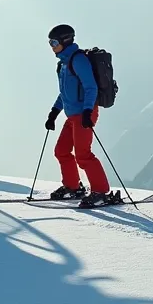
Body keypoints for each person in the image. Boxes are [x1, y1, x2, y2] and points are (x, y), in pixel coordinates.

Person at [44, 24, 119, 208]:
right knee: (61, 151)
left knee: (83, 155)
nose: (51, 46)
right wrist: (54, 113)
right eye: (50, 43)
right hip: (73, 116)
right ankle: (73, 187)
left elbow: (90, 87)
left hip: (85, 114)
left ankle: (101, 192)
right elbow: (65, 93)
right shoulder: (63, 63)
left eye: (54, 42)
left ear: (65, 40)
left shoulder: (79, 60)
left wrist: (87, 111)